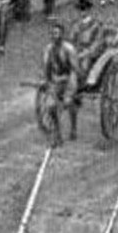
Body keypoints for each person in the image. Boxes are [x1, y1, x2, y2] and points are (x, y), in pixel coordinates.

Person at [42, 19, 80, 147]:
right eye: (52, 34)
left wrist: (71, 87)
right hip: (57, 81)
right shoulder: (48, 50)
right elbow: (47, 68)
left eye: (57, 33)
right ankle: (58, 134)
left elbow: (74, 70)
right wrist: (49, 84)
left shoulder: (69, 49)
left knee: (68, 103)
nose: (54, 36)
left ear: (62, 35)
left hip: (69, 80)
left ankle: (73, 128)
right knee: (50, 107)